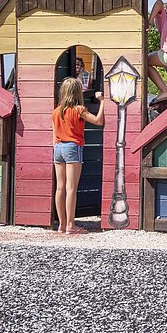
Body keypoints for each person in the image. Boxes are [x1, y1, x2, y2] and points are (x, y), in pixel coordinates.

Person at [53, 76, 105, 234]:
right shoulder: (79, 110)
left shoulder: (56, 111)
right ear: (77, 92)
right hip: (72, 147)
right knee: (71, 189)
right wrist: (102, 101)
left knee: (60, 188)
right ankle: (71, 225)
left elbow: (54, 134)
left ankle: (62, 225)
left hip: (58, 148)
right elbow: (98, 121)